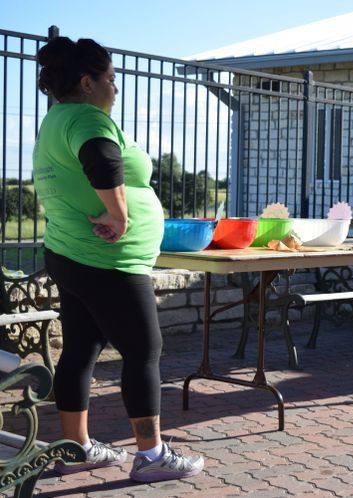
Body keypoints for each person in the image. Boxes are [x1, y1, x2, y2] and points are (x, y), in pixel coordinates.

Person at [33, 37, 204, 482]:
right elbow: (102, 158)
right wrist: (119, 214)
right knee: (144, 351)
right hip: (109, 261)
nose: (115, 88)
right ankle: (151, 456)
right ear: (88, 82)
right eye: (111, 79)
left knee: (80, 350)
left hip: (71, 254)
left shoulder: (56, 119)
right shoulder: (88, 119)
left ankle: (77, 449)